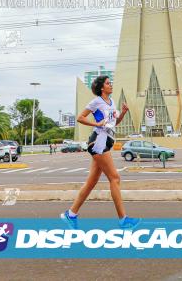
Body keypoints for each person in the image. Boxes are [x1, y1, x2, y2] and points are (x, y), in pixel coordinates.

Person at [60, 75, 139, 230]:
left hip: (106, 142)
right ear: (102, 87)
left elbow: (114, 123)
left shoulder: (112, 102)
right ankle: (123, 220)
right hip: (98, 142)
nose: (111, 85)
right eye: (108, 83)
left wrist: (122, 113)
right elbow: (80, 117)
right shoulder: (96, 102)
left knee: (91, 182)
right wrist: (96, 123)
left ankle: (71, 214)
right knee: (115, 178)